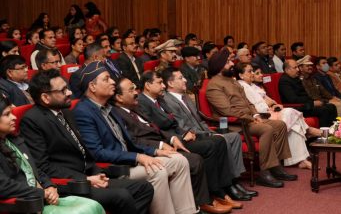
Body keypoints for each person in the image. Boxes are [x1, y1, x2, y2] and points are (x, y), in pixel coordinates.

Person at [20, 69, 154, 214]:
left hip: (88, 175)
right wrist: (86, 179)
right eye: (63, 90)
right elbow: (43, 167)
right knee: (122, 196)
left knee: (144, 188)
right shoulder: (33, 120)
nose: (70, 93)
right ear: (45, 97)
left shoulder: (65, 111)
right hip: (70, 183)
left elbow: (83, 151)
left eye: (68, 88)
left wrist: (97, 172)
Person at [73, 61, 197, 214]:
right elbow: (97, 152)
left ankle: (187, 211)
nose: (112, 81)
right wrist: (138, 157)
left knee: (179, 160)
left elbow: (129, 141)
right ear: (92, 86)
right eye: (106, 79)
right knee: (157, 171)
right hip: (113, 167)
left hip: (129, 159)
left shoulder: (107, 107)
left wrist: (154, 151)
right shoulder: (83, 111)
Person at [112, 78, 233, 214]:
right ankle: (203, 202)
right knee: (195, 159)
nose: (136, 92)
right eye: (131, 89)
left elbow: (156, 128)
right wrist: (161, 145)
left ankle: (222, 191)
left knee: (217, 142)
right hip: (151, 150)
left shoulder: (135, 108)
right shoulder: (118, 114)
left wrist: (173, 138)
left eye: (135, 88)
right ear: (119, 97)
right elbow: (134, 141)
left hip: (170, 139)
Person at [137, 70, 243, 209]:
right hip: (170, 143)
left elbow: (174, 122)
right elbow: (154, 128)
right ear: (147, 85)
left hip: (179, 137)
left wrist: (185, 132)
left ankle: (223, 189)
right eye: (159, 82)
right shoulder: (142, 102)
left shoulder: (160, 100)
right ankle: (212, 195)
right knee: (210, 146)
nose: (163, 86)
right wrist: (180, 136)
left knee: (219, 141)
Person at [161, 68, 258, 199]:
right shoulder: (167, 101)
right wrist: (207, 135)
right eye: (180, 78)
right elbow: (182, 127)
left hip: (204, 131)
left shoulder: (185, 97)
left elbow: (200, 119)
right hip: (193, 137)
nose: (185, 80)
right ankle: (228, 185)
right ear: (170, 84)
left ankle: (235, 180)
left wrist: (211, 131)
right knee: (223, 140)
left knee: (234, 137)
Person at [206, 49, 297, 188]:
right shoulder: (213, 85)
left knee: (280, 125)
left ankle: (275, 166)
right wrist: (250, 118)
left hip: (249, 118)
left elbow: (247, 102)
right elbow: (226, 110)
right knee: (266, 129)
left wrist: (255, 115)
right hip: (235, 123)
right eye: (228, 61)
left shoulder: (232, 81)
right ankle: (264, 172)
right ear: (219, 66)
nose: (232, 64)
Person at [0, 95, 106, 214]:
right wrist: (43, 193)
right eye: (7, 114)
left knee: (92, 205)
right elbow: (4, 186)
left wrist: (50, 186)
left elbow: (35, 169)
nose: (14, 117)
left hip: (41, 197)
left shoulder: (14, 140)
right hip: (26, 203)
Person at [236, 62, 319, 169]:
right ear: (241, 75)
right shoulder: (241, 86)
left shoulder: (253, 85)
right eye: (249, 71)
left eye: (252, 71)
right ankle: (308, 131)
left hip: (270, 112)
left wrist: (274, 105)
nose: (252, 74)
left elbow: (268, 100)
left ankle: (302, 160)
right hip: (262, 116)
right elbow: (250, 106)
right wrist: (268, 110)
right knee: (290, 113)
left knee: (292, 120)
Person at [279, 59, 337, 127]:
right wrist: (312, 103)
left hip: (305, 105)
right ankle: (323, 134)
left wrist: (314, 102)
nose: (298, 69)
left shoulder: (295, 78)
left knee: (332, 107)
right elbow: (293, 99)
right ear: (287, 70)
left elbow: (305, 95)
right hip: (297, 108)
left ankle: (333, 131)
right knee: (324, 110)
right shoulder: (284, 81)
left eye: (297, 67)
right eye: (295, 68)